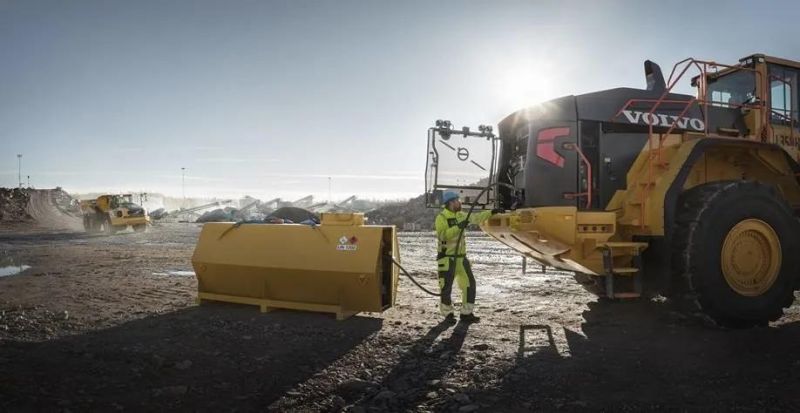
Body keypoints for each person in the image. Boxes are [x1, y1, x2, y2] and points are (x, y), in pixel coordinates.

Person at [435, 191, 502, 323]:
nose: (459, 203)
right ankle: (448, 315)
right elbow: (443, 235)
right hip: (447, 258)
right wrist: (458, 227)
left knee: (469, 284)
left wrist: (492, 212)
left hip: (461, 258)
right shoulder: (441, 218)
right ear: (451, 203)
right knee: (446, 287)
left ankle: (466, 313)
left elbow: (476, 217)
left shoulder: (461, 215)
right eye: (457, 201)